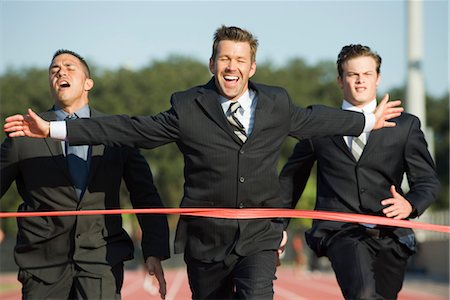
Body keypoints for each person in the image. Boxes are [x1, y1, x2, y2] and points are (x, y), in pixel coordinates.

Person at [4, 27, 403, 299]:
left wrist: (366, 119)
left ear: (252, 67)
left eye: (240, 59)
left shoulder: (277, 102)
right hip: (206, 242)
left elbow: (314, 119)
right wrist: (54, 131)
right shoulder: (187, 106)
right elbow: (129, 129)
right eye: (224, 58)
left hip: (258, 238)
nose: (232, 66)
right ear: (212, 64)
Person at [0, 49, 170, 299]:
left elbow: (145, 194)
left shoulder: (117, 131)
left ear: (88, 83)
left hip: (102, 260)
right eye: (54, 69)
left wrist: (153, 251)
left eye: (70, 67)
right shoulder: (24, 133)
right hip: (42, 265)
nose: (60, 72)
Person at [279, 44, 440, 299]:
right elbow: (291, 180)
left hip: (392, 235)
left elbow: (428, 182)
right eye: (353, 75)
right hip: (341, 232)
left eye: (367, 74)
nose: (360, 80)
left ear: (378, 78)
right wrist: (279, 227)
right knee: (363, 295)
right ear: (340, 80)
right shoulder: (319, 123)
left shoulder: (405, 126)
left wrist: (409, 204)